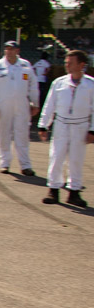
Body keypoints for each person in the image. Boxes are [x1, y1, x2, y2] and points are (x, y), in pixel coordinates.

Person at [37, 49, 94, 207]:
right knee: (56, 156)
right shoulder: (59, 83)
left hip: (80, 126)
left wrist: (92, 130)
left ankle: (74, 192)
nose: (67, 66)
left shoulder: (91, 85)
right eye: (66, 63)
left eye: (70, 63)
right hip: (61, 124)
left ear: (81, 65)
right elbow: (50, 105)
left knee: (76, 159)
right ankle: (53, 189)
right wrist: (43, 125)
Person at [0, 40, 39, 175]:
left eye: (12, 49)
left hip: (22, 106)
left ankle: (25, 165)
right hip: (2, 106)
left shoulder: (26, 65)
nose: (9, 52)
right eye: (7, 49)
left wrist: (35, 103)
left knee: (22, 135)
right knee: (3, 135)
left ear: (17, 51)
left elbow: (33, 86)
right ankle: (5, 163)